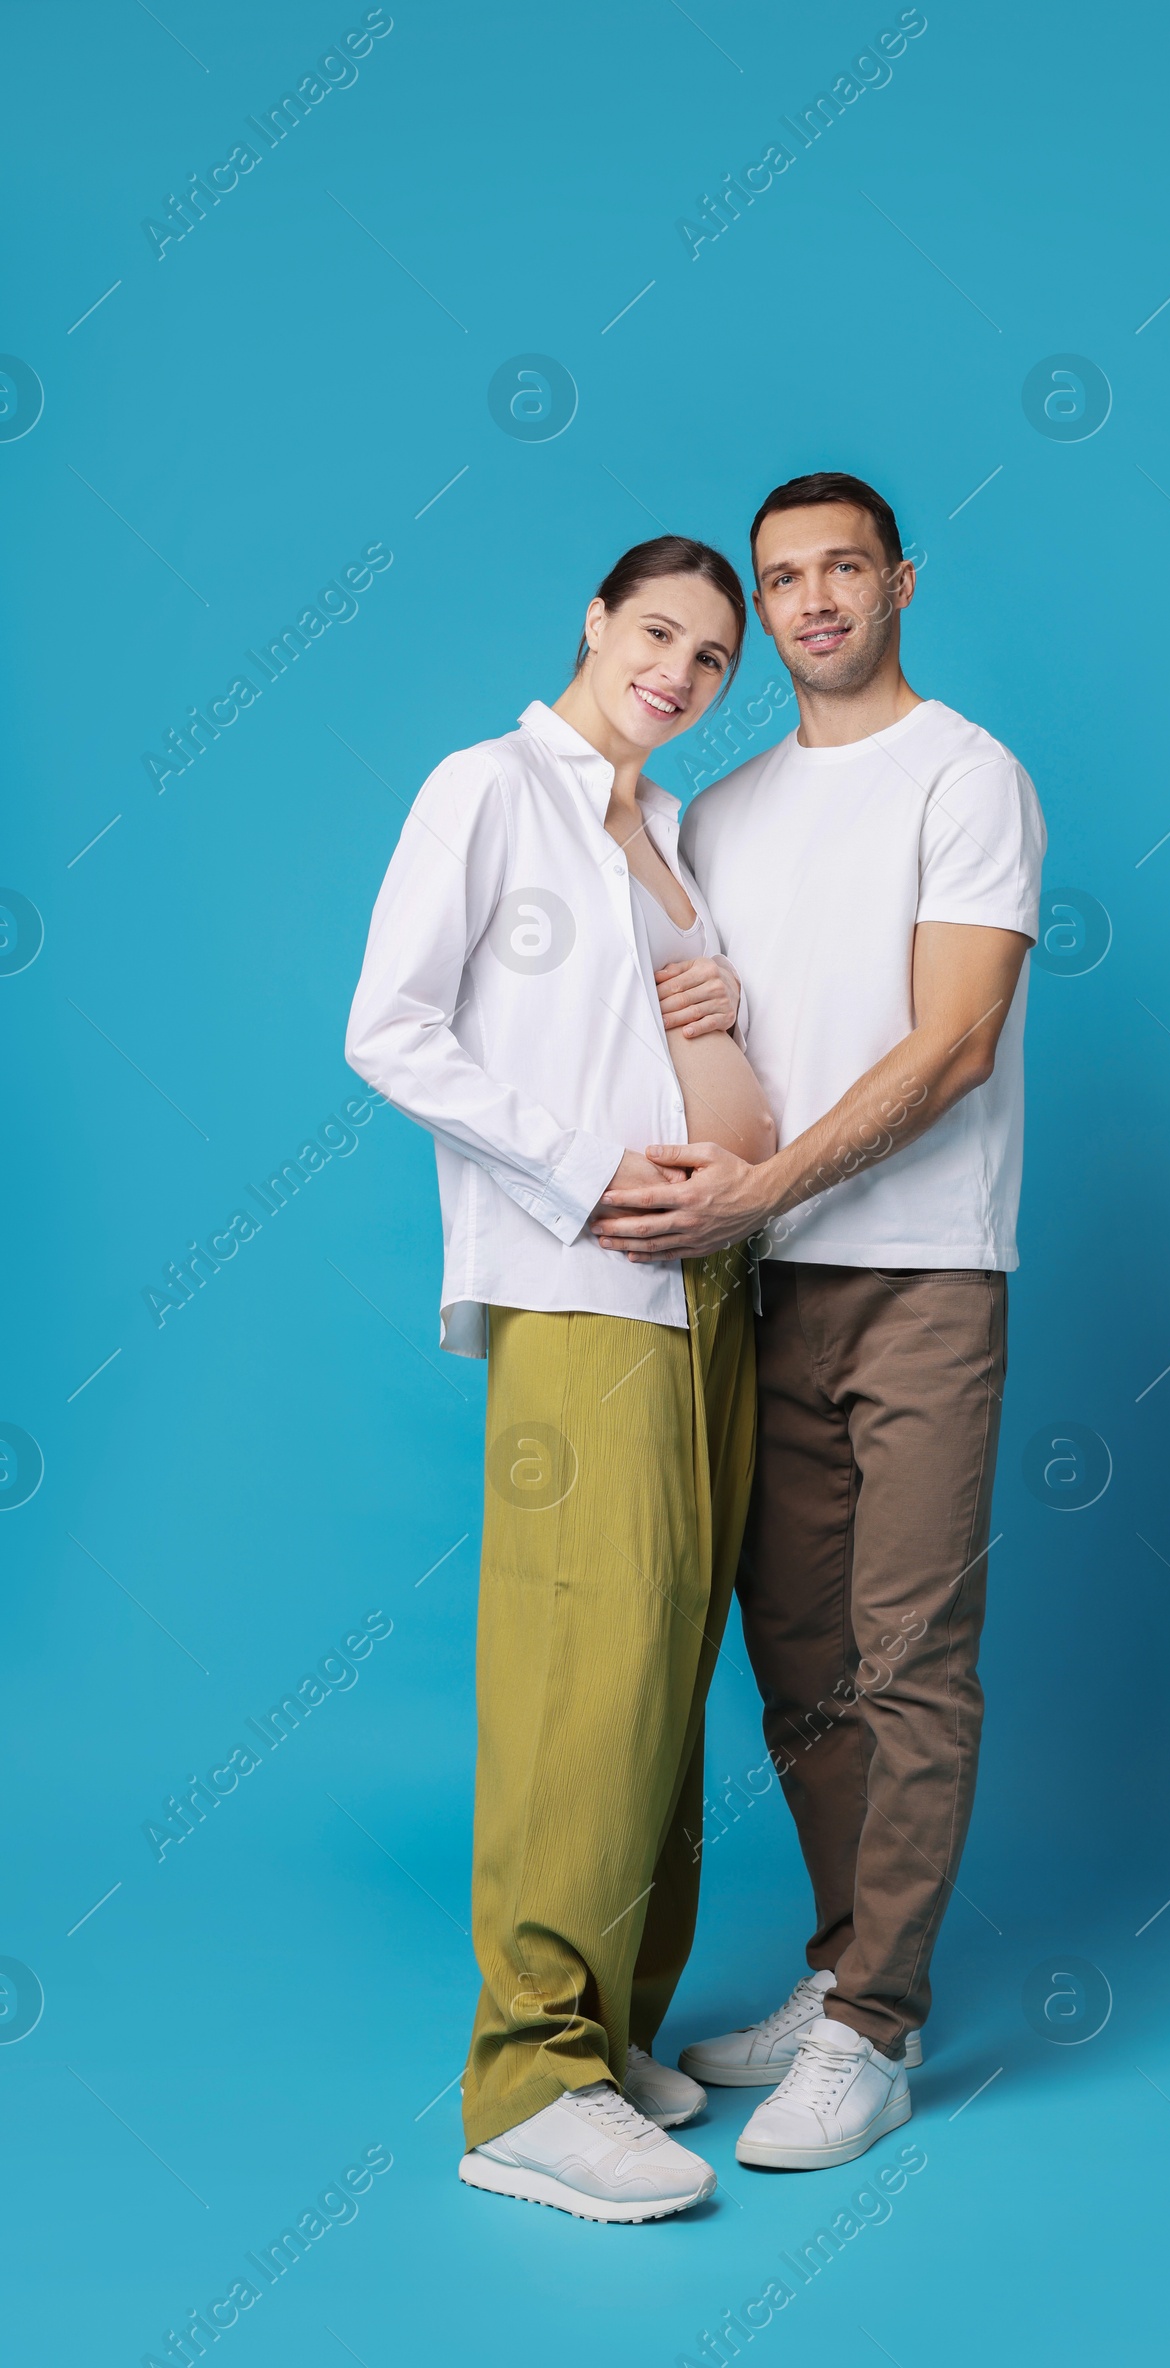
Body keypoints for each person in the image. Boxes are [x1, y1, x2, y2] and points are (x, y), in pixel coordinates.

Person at [596, 470, 1046, 2173]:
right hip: (761, 1285)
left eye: (839, 568)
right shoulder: (719, 812)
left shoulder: (969, 774)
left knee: (912, 1654)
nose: (808, 602)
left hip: (925, 1271)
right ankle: (841, 1963)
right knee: (798, 1656)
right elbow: (725, 1063)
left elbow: (952, 1047)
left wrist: (752, 1195)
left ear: (899, 583)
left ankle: (876, 2030)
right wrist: (695, 1018)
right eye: (780, 579)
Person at [345, 534, 777, 2223]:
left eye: (711, 661)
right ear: (594, 621)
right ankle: (528, 2079)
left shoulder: (667, 831)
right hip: (586, 1276)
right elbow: (392, 1028)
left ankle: (617, 2033)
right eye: (657, 632)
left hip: (712, 1291)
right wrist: (585, 1174)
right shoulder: (490, 787)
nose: (677, 671)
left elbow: (669, 1037)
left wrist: (723, 1014)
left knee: (667, 1664)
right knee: (580, 1666)